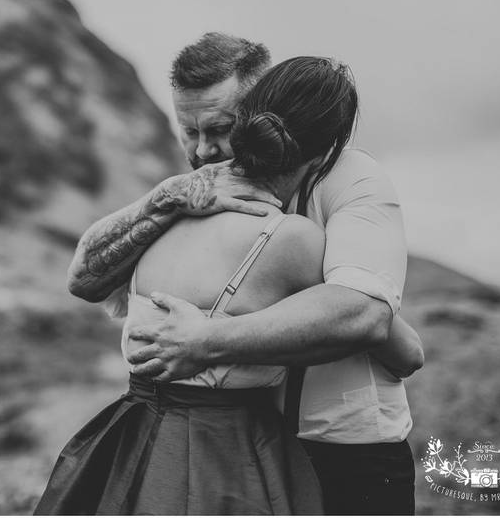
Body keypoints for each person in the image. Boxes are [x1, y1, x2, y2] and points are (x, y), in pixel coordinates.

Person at [66, 34, 423, 515]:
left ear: (258, 108)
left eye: (219, 128)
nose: (204, 149)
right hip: (249, 444)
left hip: (346, 446)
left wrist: (205, 341)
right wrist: (166, 198)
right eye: (187, 131)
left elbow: (365, 315)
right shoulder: (193, 192)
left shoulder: (354, 181)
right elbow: (85, 278)